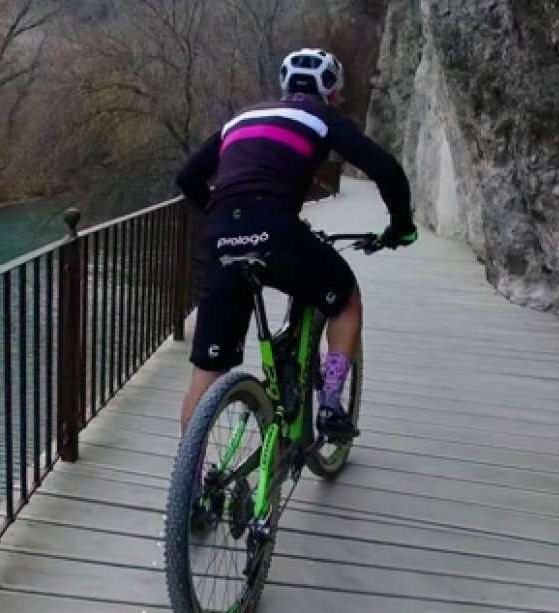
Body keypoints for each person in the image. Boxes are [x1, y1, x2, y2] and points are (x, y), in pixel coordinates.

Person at [176, 48, 417, 440]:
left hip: (220, 236)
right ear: (333, 93)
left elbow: (188, 178)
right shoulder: (322, 117)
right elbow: (385, 169)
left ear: (284, 87)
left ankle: (191, 494)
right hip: (277, 232)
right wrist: (401, 227)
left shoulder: (242, 117)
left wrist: (225, 220)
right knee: (345, 298)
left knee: (207, 371)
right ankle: (330, 404)